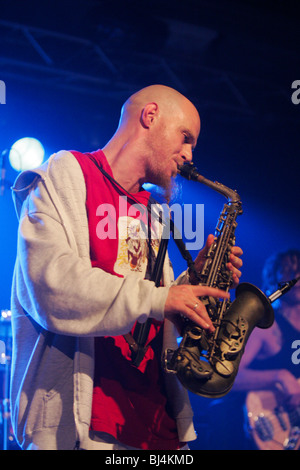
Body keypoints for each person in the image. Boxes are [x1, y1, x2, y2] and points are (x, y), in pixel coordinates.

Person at [10, 84, 243, 450]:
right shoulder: (65, 174)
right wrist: (162, 299)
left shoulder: (153, 212)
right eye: (185, 138)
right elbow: (50, 285)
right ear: (150, 116)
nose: (189, 154)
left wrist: (192, 283)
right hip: (82, 429)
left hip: (155, 430)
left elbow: (149, 306)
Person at [234, 249, 300, 450]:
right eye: (289, 271)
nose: (296, 277)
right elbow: (229, 376)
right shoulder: (267, 327)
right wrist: (279, 376)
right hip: (269, 426)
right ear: (275, 279)